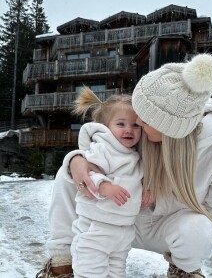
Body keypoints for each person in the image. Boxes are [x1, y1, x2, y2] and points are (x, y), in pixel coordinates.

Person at [38, 53, 212, 278]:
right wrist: (76, 161)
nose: (138, 123)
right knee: (71, 175)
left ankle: (183, 270)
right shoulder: (142, 133)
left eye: (144, 119)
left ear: (168, 127)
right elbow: (100, 145)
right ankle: (62, 264)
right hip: (119, 217)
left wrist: (163, 198)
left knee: (199, 230)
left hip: (166, 230)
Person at [38, 88, 143, 278]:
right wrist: (104, 185)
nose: (129, 129)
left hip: (122, 232)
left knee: (117, 273)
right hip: (94, 230)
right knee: (90, 271)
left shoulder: (135, 155)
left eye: (135, 125)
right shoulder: (103, 148)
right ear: (106, 127)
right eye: (121, 124)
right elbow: (88, 174)